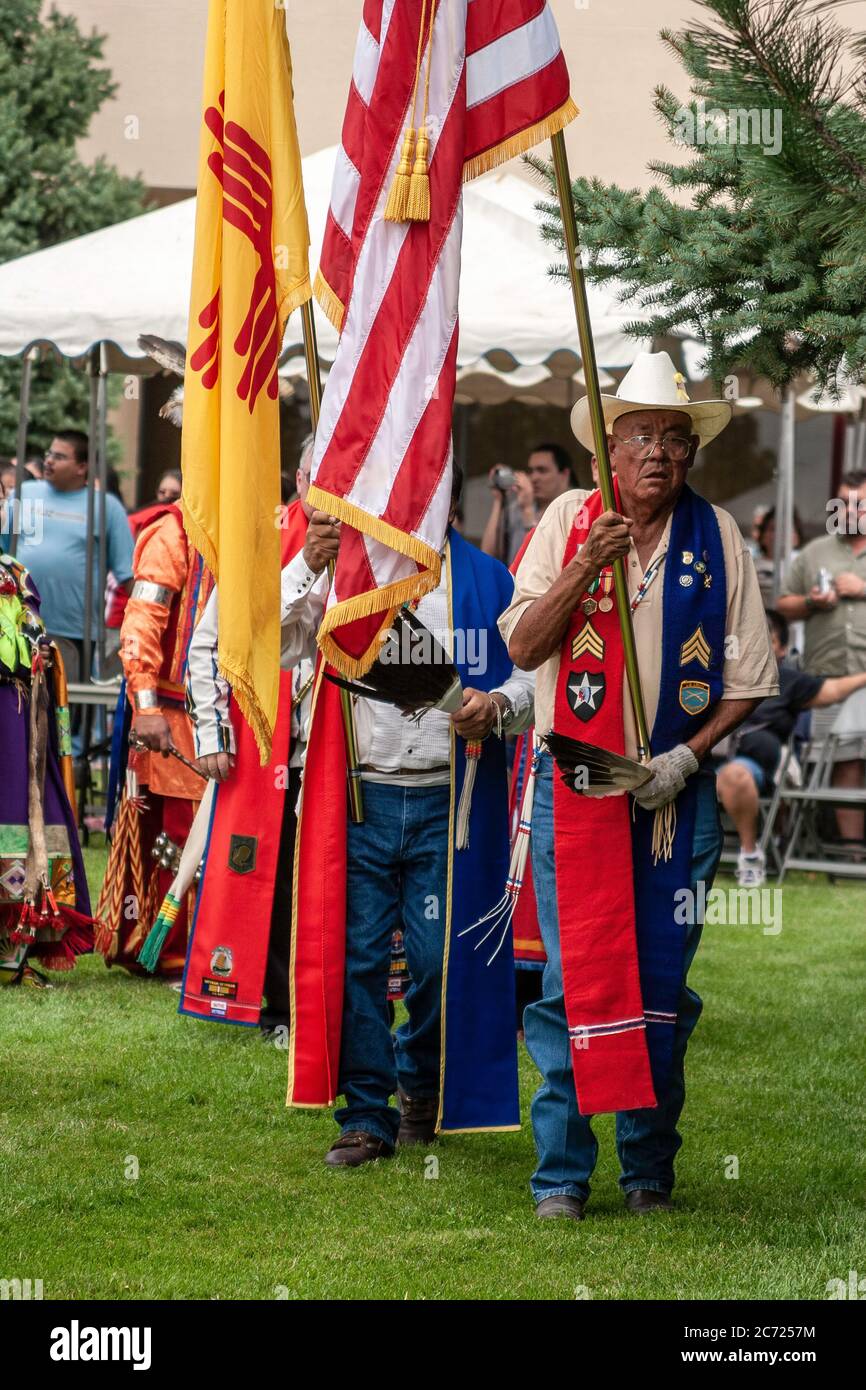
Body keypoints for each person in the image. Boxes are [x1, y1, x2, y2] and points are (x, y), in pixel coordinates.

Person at [500, 350, 778, 1220]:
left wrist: (689, 756)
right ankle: (562, 1176)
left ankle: (649, 1169)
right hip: (576, 784)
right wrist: (587, 564)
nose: (660, 452)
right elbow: (520, 648)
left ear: (691, 454)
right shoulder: (565, 521)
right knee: (571, 974)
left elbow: (746, 678)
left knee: (662, 976)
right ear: (606, 456)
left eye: (675, 437)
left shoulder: (718, 536)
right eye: (641, 436)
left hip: (676, 790)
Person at [285, 463, 535, 1165]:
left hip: (446, 805)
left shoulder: (488, 580)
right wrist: (308, 564)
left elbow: (529, 675)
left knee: (434, 960)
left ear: (448, 498)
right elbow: (279, 643)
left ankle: (421, 1087)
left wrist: (500, 706)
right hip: (359, 796)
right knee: (360, 959)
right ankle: (366, 1112)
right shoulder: (346, 573)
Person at [182, 439, 315, 1035]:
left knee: (322, 875)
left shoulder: (371, 541)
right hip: (261, 740)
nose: (327, 488)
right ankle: (271, 1003)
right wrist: (211, 731)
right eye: (317, 474)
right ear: (298, 475)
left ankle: (323, 1001)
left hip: (334, 741)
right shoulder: (263, 535)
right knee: (264, 869)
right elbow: (212, 641)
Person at [95, 479, 213, 977]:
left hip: (233, 709)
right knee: (178, 833)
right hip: (174, 710)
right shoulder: (174, 534)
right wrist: (145, 703)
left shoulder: (256, 529)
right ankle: (169, 948)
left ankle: (215, 943)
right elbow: (141, 621)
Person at [716, 609, 866, 886]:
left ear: (782, 649)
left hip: (754, 765)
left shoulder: (788, 680)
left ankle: (750, 855)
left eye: (768, 639)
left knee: (734, 775)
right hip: (709, 756)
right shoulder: (719, 675)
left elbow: (832, 690)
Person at [0, 553, 95, 986]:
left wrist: (40, 649)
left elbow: (36, 630)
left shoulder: (15, 572)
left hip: (17, 712)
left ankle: (11, 954)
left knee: (21, 817)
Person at [0, 431, 135, 695]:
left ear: (82, 467)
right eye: (49, 454)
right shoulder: (24, 493)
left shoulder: (106, 508)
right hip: (19, 624)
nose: (49, 461)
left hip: (75, 631)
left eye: (59, 457)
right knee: (19, 705)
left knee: (67, 710)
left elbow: (127, 575)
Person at [777, 470, 866, 845]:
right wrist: (813, 601)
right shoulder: (815, 552)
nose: (849, 511)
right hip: (826, 679)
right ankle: (850, 854)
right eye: (843, 502)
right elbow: (782, 606)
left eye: (859, 504)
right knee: (841, 763)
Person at [481, 443, 576, 564]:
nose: (534, 477)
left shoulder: (575, 510)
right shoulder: (518, 507)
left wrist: (528, 511)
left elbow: (540, 564)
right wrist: (498, 500)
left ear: (564, 475)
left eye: (542, 470)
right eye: (531, 471)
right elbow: (487, 555)